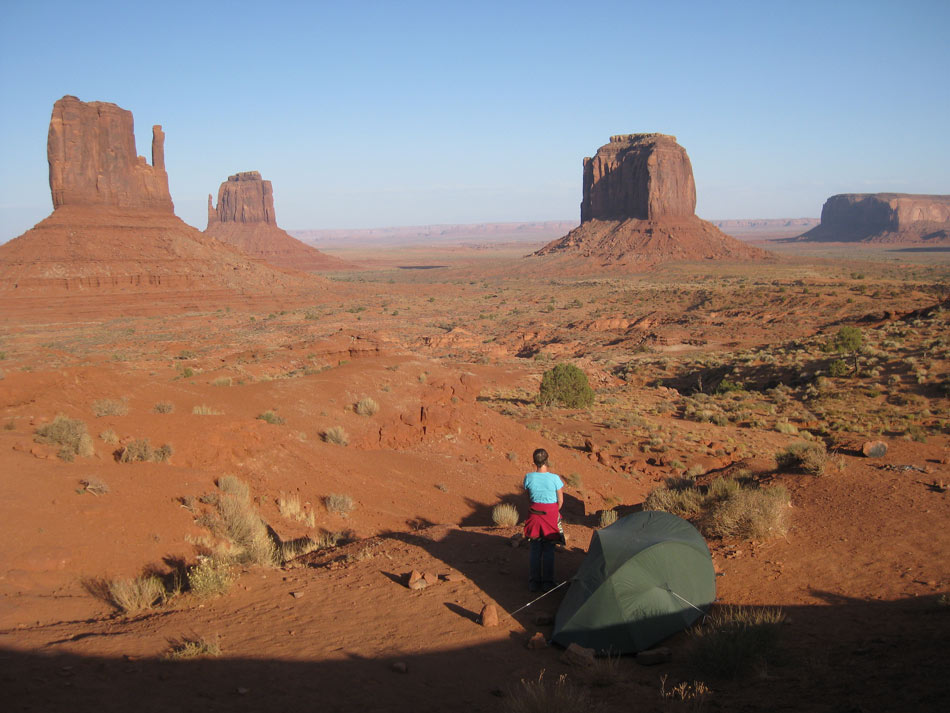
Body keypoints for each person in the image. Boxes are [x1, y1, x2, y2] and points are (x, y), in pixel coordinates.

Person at [522, 448, 564, 592]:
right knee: (549, 549)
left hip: (534, 514)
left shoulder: (528, 477)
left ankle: (534, 582)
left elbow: (528, 497)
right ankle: (547, 582)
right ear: (547, 461)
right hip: (550, 514)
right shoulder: (555, 478)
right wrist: (553, 511)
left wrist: (534, 506)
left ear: (534, 462)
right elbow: (560, 500)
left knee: (534, 548)